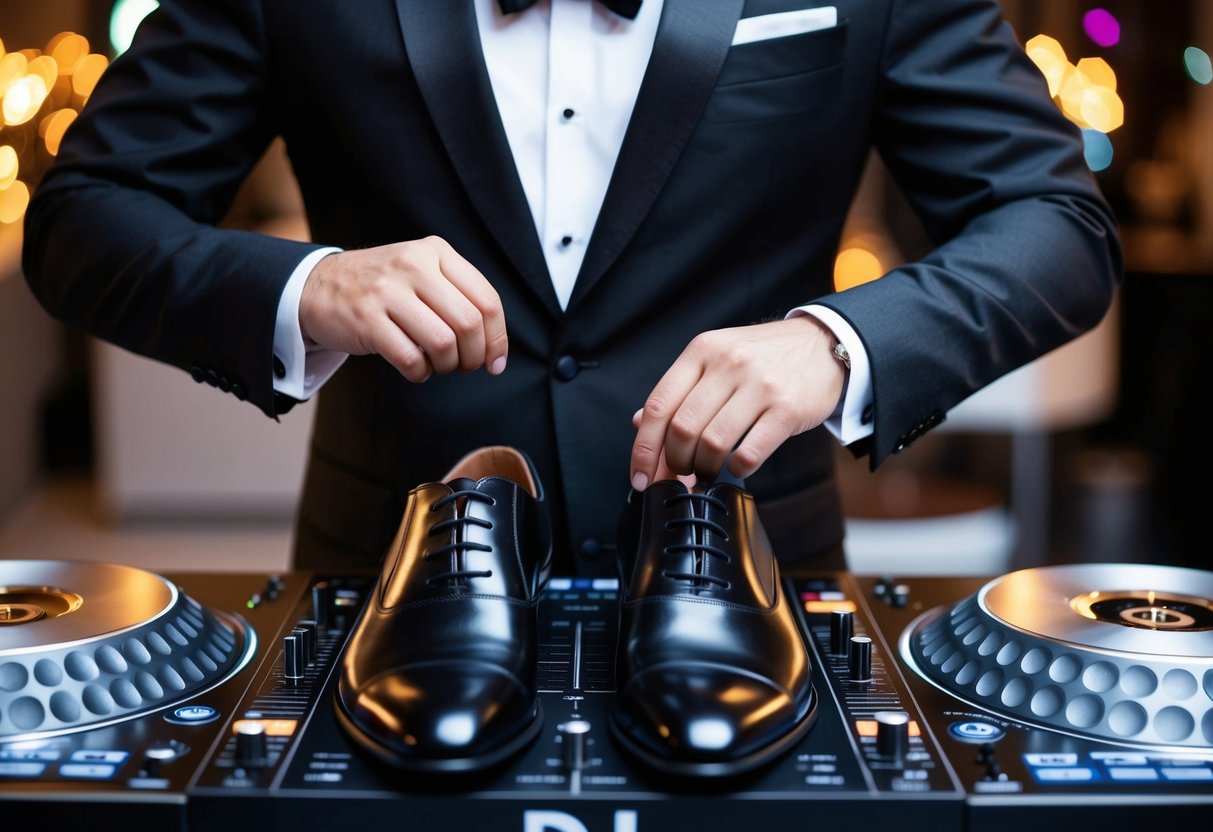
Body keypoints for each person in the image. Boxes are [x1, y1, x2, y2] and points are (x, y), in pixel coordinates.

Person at [22, 0, 1122, 578]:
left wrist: (838, 343)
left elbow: (1056, 226)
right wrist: (305, 287)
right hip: (392, 575)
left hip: (750, 576)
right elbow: (82, 218)